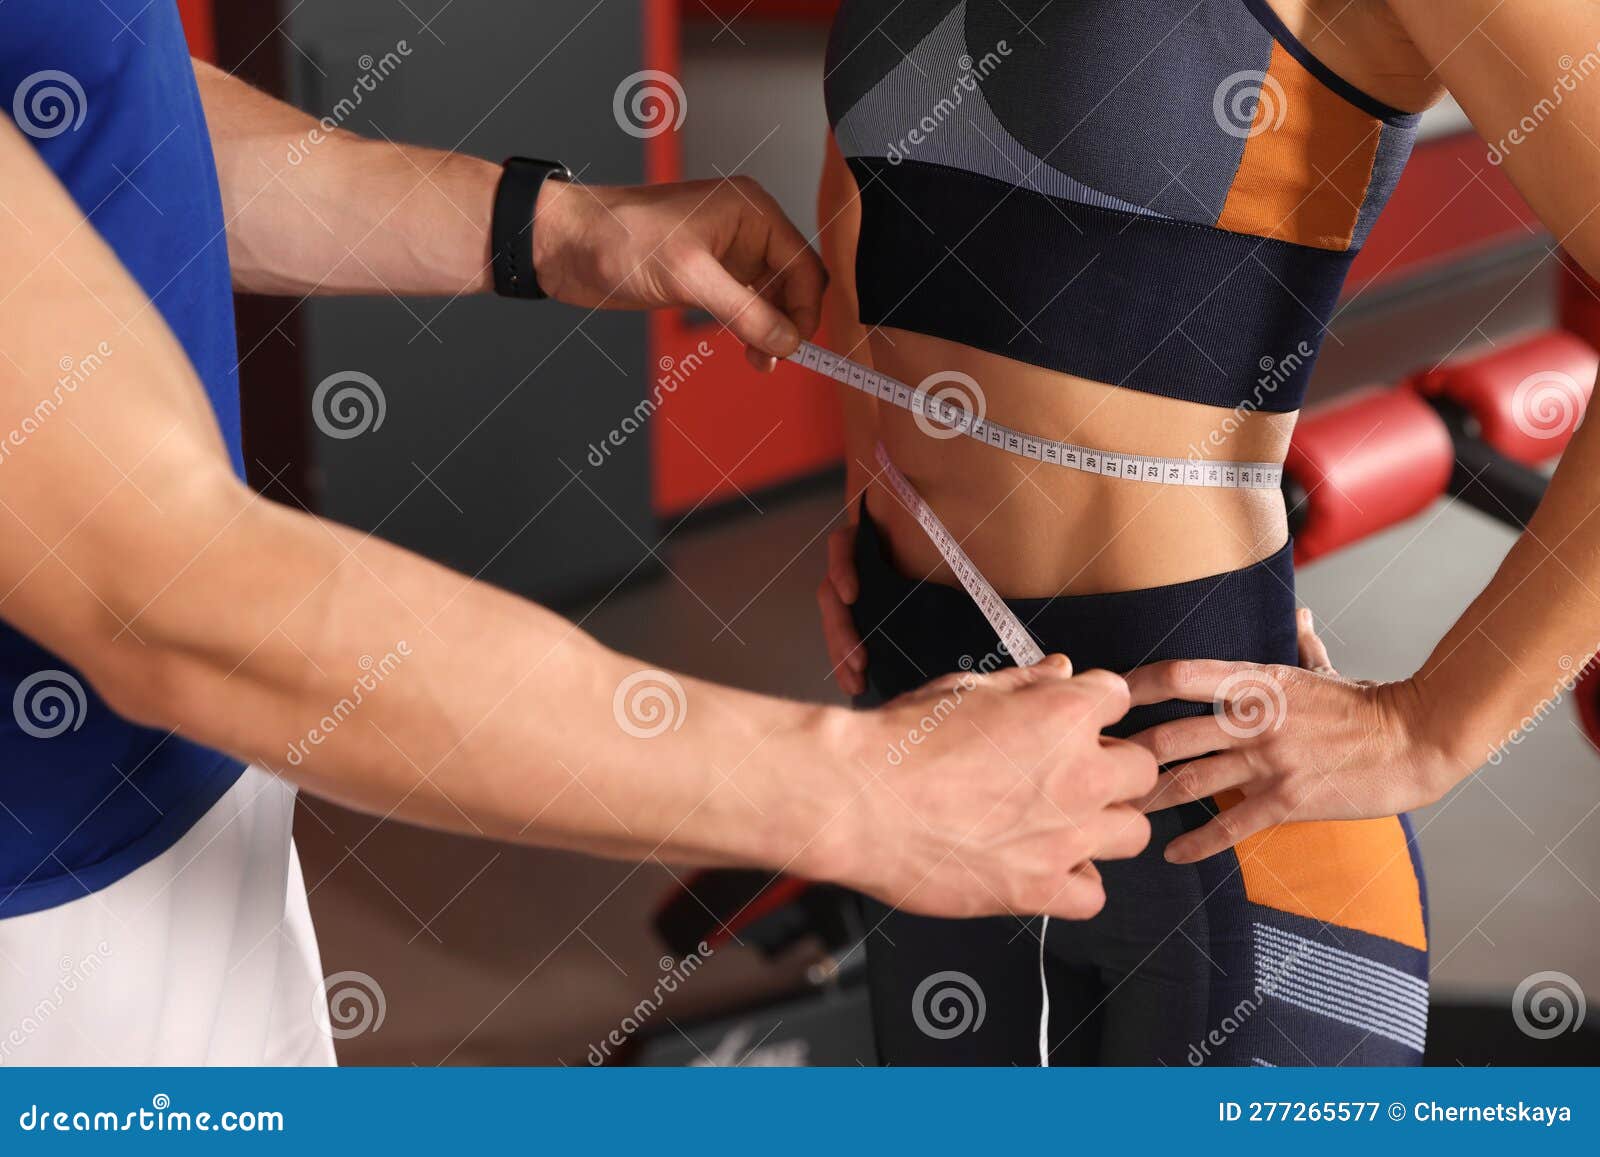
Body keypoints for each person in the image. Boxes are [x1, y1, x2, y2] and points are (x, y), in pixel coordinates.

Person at [0, 2, 1159, 1065]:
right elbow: (165, 593)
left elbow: (97, 105)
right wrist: (860, 795)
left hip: (183, 826)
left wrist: (548, 226)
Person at [815, 0, 1600, 1066]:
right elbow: (871, 193)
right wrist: (883, 470)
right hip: (925, 732)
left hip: (1211, 784)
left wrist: (1431, 727)